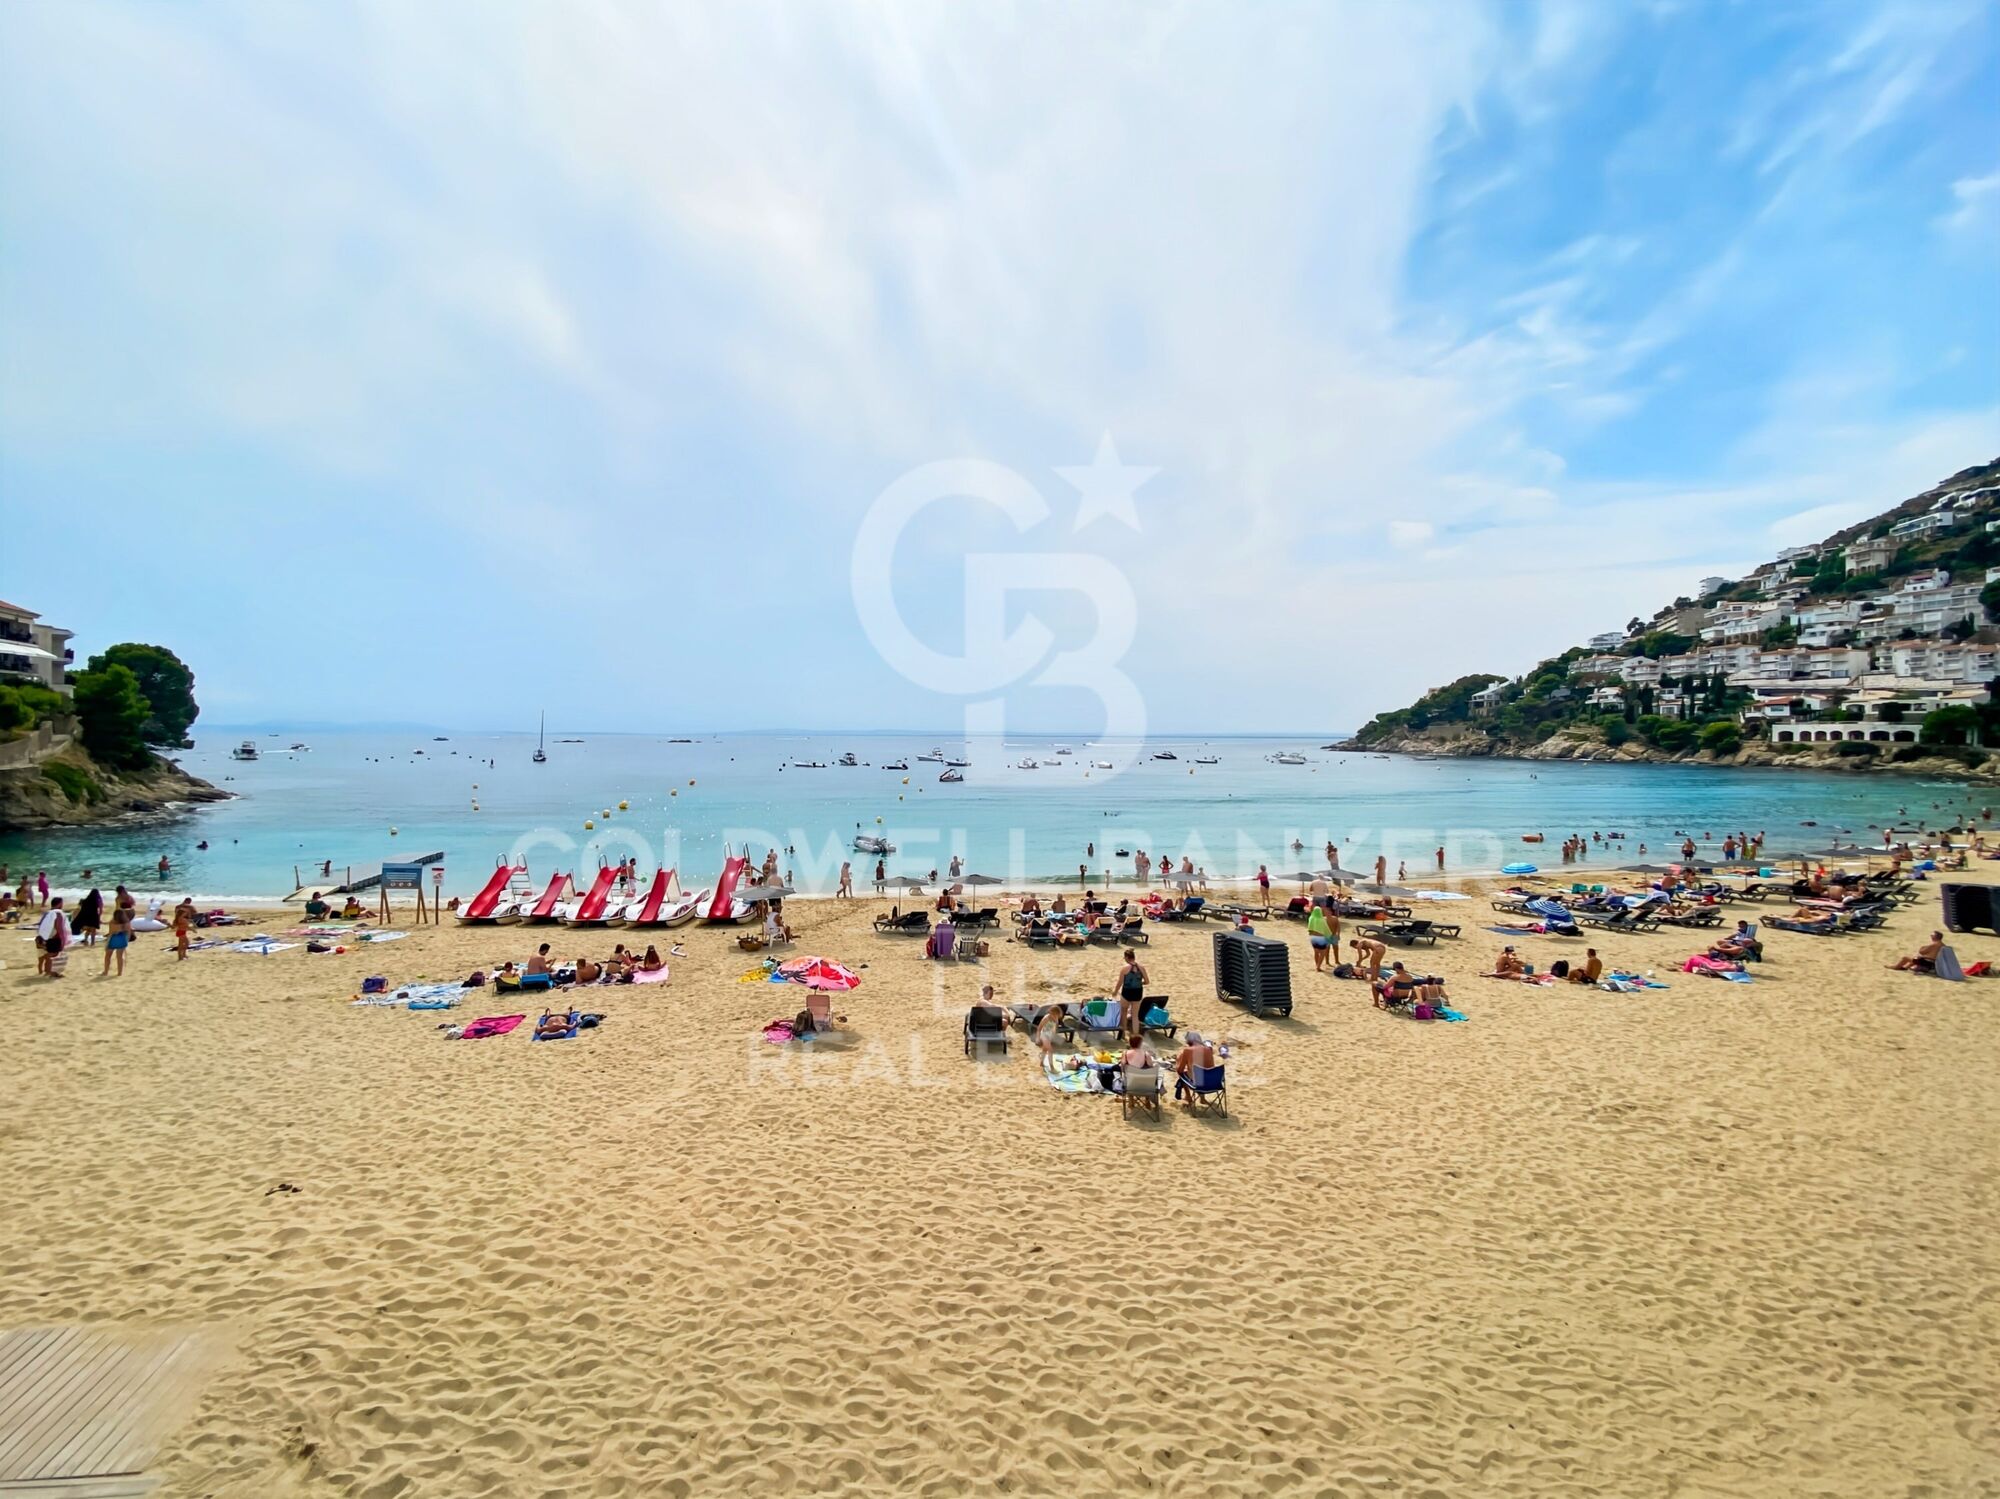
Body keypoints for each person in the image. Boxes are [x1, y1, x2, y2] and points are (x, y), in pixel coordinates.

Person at [1173, 1031, 1218, 1101]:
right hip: (1213, 1083)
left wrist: (1178, 1061)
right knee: (1203, 1071)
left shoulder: (1187, 1050)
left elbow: (1180, 1070)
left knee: (1182, 1074)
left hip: (1199, 1084)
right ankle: (1202, 1098)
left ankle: (1188, 1096)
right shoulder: (1208, 1049)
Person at [1114, 948, 1149, 1034]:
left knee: (1124, 1012)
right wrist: (1140, 983)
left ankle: (1123, 1033)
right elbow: (1147, 981)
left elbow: (1120, 982)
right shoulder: (1141, 967)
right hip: (1138, 992)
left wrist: (1115, 991)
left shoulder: (1125, 968)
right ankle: (1136, 1035)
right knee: (1135, 1016)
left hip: (1127, 992)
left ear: (1127, 957)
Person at [36, 897, 69, 977]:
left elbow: (40, 925)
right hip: (53, 938)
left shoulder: (47, 913)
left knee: (47, 955)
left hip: (42, 937)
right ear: (59, 904)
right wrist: (63, 939)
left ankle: (47, 971)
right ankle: (52, 972)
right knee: (53, 955)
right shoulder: (58, 914)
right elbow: (59, 928)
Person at [102, 899, 133, 976]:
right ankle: (119, 973)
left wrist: (107, 943)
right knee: (120, 957)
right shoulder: (127, 922)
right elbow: (129, 932)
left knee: (108, 956)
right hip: (122, 939)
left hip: (113, 939)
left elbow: (111, 933)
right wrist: (126, 941)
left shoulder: (112, 923)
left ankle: (106, 972)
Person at [1306, 901, 1335, 971]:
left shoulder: (1311, 918)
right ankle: (1318, 966)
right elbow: (1326, 930)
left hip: (1313, 937)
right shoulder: (1322, 920)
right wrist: (1330, 936)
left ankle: (1317, 965)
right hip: (1321, 938)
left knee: (1316, 952)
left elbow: (1309, 928)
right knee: (1322, 953)